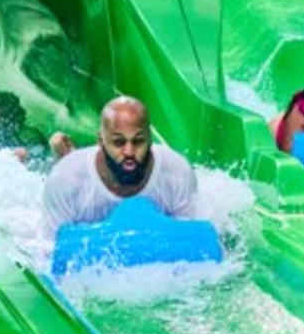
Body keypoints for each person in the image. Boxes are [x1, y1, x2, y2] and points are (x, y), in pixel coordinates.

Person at [42, 96, 200, 233]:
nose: (129, 152)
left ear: (150, 139)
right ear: (101, 141)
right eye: (119, 142)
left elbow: (190, 238)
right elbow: (48, 249)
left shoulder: (177, 172)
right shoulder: (65, 180)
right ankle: (67, 153)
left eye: (138, 141)